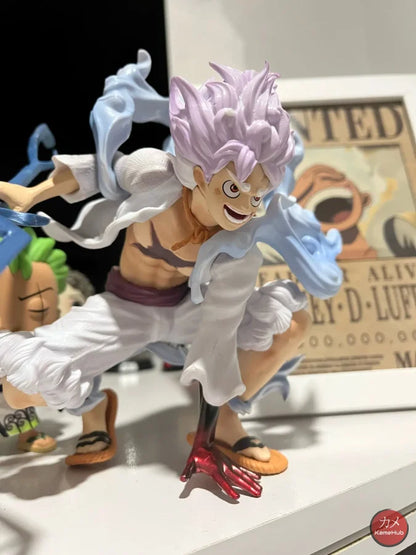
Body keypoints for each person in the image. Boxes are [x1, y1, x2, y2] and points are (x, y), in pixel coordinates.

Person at [0, 51, 342, 498]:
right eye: (234, 188)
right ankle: (93, 408)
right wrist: (31, 194)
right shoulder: (152, 174)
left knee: (292, 322)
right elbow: (96, 173)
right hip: (124, 308)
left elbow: (218, 336)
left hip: (187, 312)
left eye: (257, 196)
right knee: (20, 386)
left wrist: (206, 433)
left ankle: (227, 423)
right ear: (200, 172)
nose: (245, 206)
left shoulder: (238, 248)